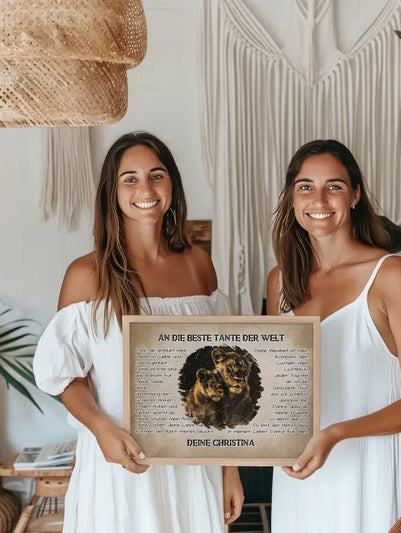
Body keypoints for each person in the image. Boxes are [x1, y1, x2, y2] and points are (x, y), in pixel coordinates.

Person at [33, 132, 243, 532]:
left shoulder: (199, 265)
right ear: (112, 193)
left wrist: (229, 469)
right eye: (129, 179)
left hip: (195, 462)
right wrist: (100, 428)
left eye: (156, 175)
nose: (145, 189)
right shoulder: (86, 274)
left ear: (172, 185)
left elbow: (223, 376)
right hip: (120, 463)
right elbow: (65, 376)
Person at [267, 140, 401, 533]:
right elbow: (279, 392)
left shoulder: (392, 275)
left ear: (355, 195)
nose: (319, 199)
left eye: (334, 186)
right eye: (306, 187)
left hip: (371, 475)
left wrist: (336, 434)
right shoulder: (279, 282)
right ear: (292, 197)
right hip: (300, 477)